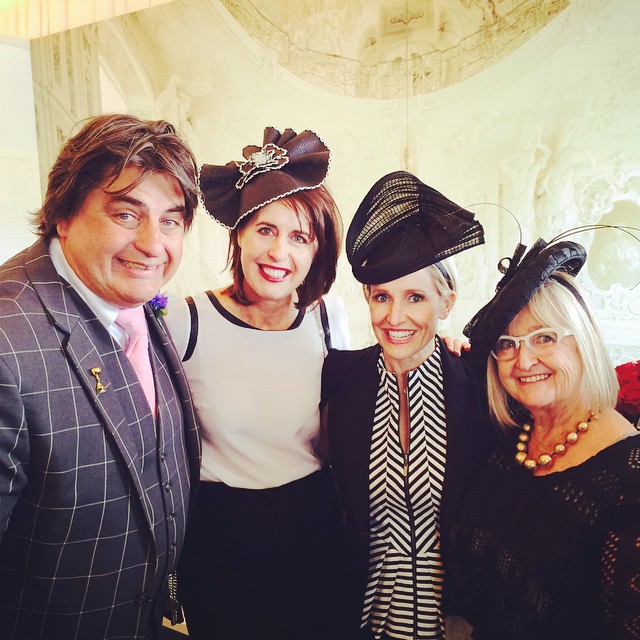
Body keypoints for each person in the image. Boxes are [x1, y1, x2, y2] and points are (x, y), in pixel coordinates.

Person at [0, 113, 201, 640]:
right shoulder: (6, 344)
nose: (153, 244)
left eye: (171, 221)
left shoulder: (127, 294)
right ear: (64, 214)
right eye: (127, 214)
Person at [165, 126, 351, 640]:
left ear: (316, 251)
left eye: (299, 237)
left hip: (315, 527)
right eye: (266, 229)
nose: (278, 252)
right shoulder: (186, 321)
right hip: (221, 540)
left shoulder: (328, 318)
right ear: (240, 233)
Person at [321, 170, 494, 640]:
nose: (394, 317)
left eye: (415, 297)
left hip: (457, 620)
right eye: (382, 297)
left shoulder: (481, 381)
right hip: (365, 614)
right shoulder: (339, 377)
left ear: (446, 302)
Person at [443, 237, 640, 639]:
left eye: (544, 337)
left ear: (583, 341)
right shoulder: (509, 437)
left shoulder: (629, 478)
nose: (524, 360)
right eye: (507, 344)